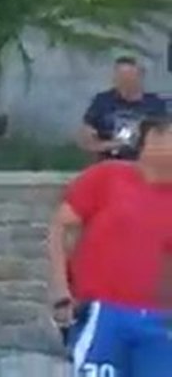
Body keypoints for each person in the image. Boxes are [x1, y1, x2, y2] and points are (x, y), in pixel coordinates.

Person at [48, 116, 172, 375]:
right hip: (103, 313)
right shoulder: (107, 177)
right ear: (152, 140)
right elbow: (63, 229)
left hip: (161, 321)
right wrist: (61, 290)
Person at [79, 56, 167, 160]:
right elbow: (86, 135)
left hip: (143, 161)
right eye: (119, 77)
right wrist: (108, 145)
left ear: (140, 76)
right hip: (110, 161)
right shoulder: (102, 101)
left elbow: (164, 137)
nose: (123, 81)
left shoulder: (155, 104)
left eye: (128, 77)